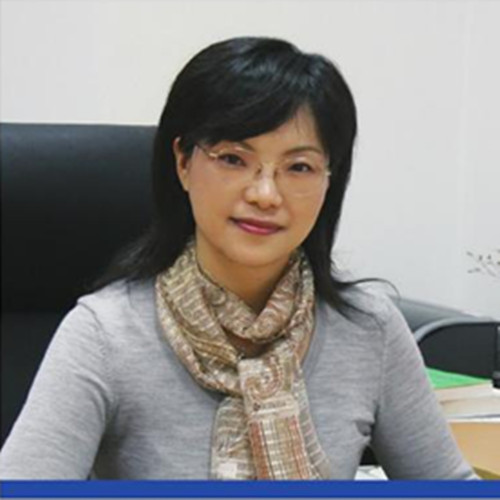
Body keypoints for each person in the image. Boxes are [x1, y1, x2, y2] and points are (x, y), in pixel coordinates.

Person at [0, 37, 476, 480]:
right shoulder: (107, 334)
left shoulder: (370, 330)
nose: (266, 194)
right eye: (233, 159)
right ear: (183, 163)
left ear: (330, 180)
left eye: (299, 167)